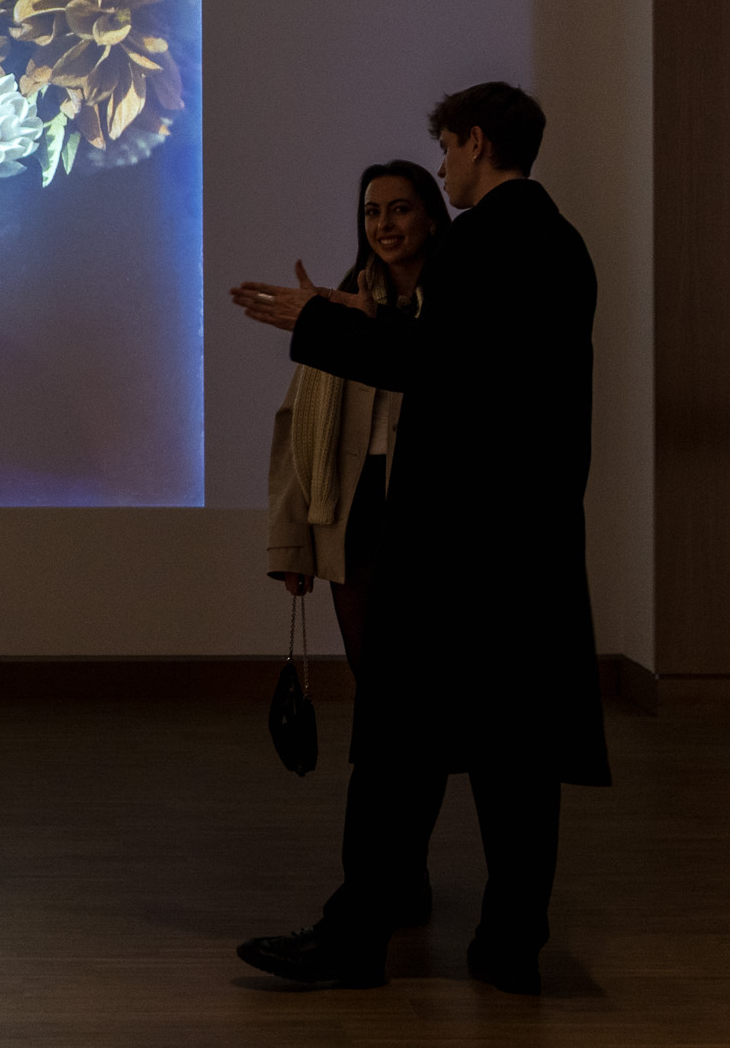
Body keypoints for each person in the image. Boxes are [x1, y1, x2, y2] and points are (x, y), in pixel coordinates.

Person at [228, 82, 610, 996]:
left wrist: (318, 322)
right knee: (518, 762)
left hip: (454, 551)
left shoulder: (478, 243)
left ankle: (353, 939)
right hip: (531, 547)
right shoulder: (561, 243)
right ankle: (509, 945)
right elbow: (478, 363)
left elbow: (435, 368)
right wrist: (375, 319)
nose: (443, 167)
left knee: (396, 749)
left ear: (477, 142)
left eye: (446, 149)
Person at [269, 160, 450, 671]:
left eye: (400, 209)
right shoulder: (342, 308)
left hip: (432, 508)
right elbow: (295, 429)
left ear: (431, 220)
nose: (384, 225)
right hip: (352, 513)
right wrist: (291, 549)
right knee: (369, 671)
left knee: (430, 671)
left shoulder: (456, 309)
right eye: (372, 212)